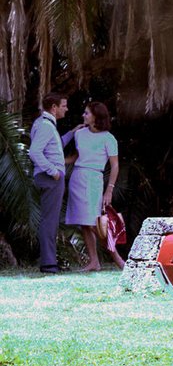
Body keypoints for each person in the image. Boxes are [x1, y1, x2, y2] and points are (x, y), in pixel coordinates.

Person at [65, 101, 124, 271]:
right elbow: (77, 156)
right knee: (84, 223)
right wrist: (58, 162)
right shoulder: (80, 134)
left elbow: (115, 166)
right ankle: (94, 262)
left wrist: (109, 190)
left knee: (93, 222)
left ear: (96, 117)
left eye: (86, 113)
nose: (83, 116)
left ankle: (117, 258)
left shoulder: (108, 138)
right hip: (77, 177)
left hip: (94, 179)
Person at [27, 92, 78, 273]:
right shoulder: (46, 126)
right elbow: (34, 152)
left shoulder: (46, 125)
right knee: (50, 221)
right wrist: (53, 171)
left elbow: (54, 146)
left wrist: (72, 133)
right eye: (64, 105)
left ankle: (49, 262)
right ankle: (49, 264)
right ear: (54, 108)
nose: (67, 108)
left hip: (49, 178)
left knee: (50, 220)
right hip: (50, 179)